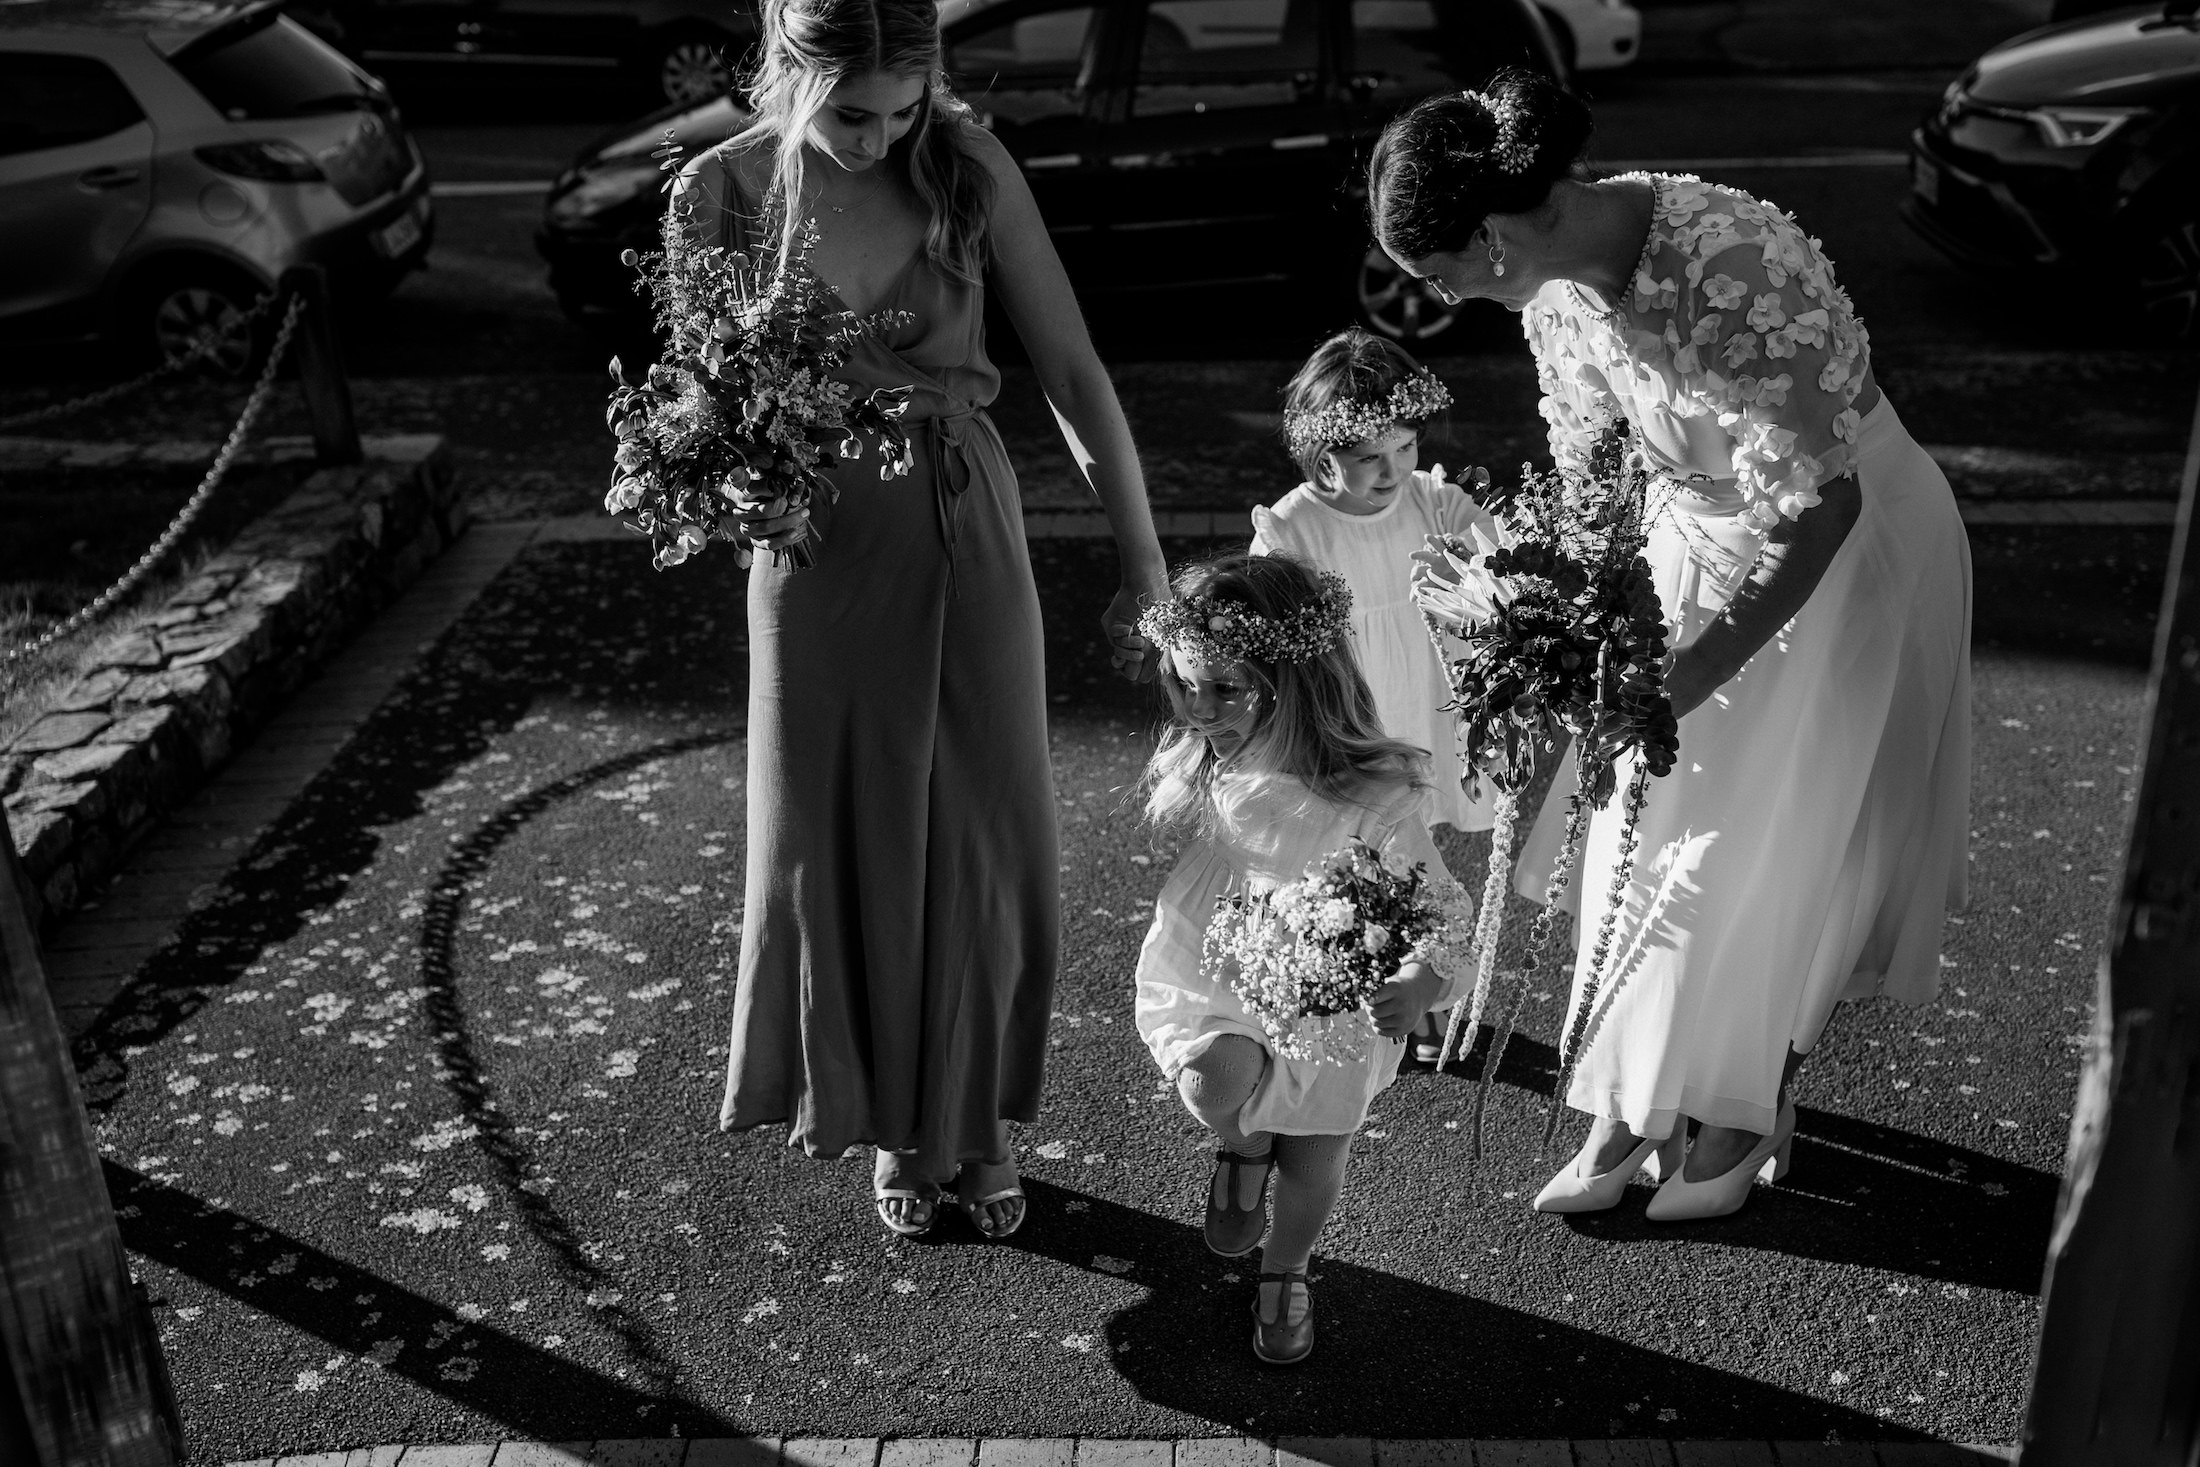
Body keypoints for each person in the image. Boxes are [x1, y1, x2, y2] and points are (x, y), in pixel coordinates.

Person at [1370, 69, 1970, 1220]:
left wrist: (1679, 677)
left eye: (1437, 277)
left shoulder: (1732, 268)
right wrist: (1539, 606)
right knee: (1635, 834)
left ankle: (1748, 1099)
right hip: (1685, 547)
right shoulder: (1553, 291)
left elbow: (1821, 509)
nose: (1442, 300)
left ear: (1494, 238)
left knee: (1774, 844)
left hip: (1846, 557)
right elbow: (1596, 480)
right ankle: (1629, 1096)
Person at [675, 0, 1169, 1241]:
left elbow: (1072, 372)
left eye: (904, 108)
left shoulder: (963, 159)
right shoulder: (710, 194)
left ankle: (974, 1125)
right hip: (812, 554)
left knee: (986, 827)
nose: (880, 136)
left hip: (964, 523)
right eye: (852, 112)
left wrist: (1143, 563)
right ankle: (896, 1126)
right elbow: (697, 411)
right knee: (831, 835)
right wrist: (727, 477)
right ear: (788, 72)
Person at [1130, 551, 1474, 1364]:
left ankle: (1286, 1268)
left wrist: (1423, 977)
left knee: (1315, 1155)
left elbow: (1444, 909)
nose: (1199, 709)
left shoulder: (1375, 795)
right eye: (1185, 683)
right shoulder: (1221, 754)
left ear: (1298, 681)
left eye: (1225, 688)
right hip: (1219, 967)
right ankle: (1245, 1142)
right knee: (1218, 1082)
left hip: (1328, 1003)